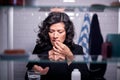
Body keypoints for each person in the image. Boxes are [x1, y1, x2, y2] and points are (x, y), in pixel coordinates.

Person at [25, 12, 89, 80]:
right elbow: (27, 77)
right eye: (51, 31)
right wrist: (34, 72)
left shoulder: (77, 49)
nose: (55, 36)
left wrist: (69, 56)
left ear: (67, 32)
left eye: (60, 32)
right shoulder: (39, 48)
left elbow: (86, 77)